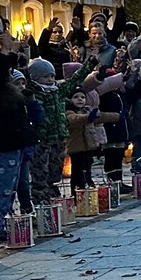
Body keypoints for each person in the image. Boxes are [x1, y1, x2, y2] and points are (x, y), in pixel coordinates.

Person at [25, 56, 95, 201]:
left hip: (58, 137)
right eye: (45, 77)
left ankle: (51, 190)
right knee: (40, 169)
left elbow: (75, 80)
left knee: (56, 168)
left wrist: (89, 64)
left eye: (52, 76)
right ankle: (39, 196)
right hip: (42, 138)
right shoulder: (33, 93)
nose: (50, 79)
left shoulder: (57, 90)